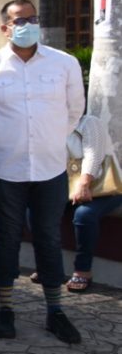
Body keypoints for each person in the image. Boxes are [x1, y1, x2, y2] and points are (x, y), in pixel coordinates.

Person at [0, 0, 85, 344]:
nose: (27, 25)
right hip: (7, 169)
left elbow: (74, 111)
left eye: (32, 19)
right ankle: (5, 309)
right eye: (19, 20)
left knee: (49, 237)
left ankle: (55, 311)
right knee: (7, 236)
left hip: (50, 168)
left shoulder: (63, 63)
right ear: (5, 28)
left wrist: (48, 140)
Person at [65, 114, 122, 293]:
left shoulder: (89, 122)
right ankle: (47, 265)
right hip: (68, 188)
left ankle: (83, 270)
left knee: (84, 214)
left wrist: (84, 184)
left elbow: (94, 155)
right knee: (36, 209)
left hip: (103, 187)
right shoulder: (51, 124)